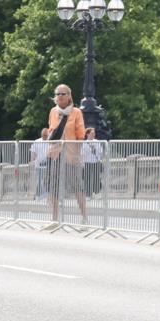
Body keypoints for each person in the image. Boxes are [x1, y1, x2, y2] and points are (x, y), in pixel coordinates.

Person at [46, 84, 87, 224]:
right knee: (53, 187)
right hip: (55, 154)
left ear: (69, 96)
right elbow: (51, 130)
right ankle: (54, 218)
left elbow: (80, 135)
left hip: (70, 154)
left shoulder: (76, 112)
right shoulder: (53, 111)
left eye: (63, 94)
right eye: (57, 94)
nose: (59, 96)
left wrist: (77, 154)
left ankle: (84, 217)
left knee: (77, 186)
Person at [81, 127, 104, 200]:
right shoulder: (84, 143)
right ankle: (88, 194)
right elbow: (82, 154)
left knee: (96, 178)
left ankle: (97, 193)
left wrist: (95, 150)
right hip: (87, 162)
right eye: (92, 133)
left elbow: (100, 151)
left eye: (94, 133)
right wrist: (82, 163)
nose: (93, 134)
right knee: (87, 179)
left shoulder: (97, 141)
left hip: (95, 162)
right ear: (87, 134)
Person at [30, 128, 50, 200]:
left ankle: (43, 195)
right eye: (44, 135)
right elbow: (33, 152)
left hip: (48, 163)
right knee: (39, 180)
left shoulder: (50, 141)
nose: (45, 136)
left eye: (46, 135)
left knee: (46, 180)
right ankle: (39, 194)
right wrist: (32, 161)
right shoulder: (37, 141)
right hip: (39, 163)